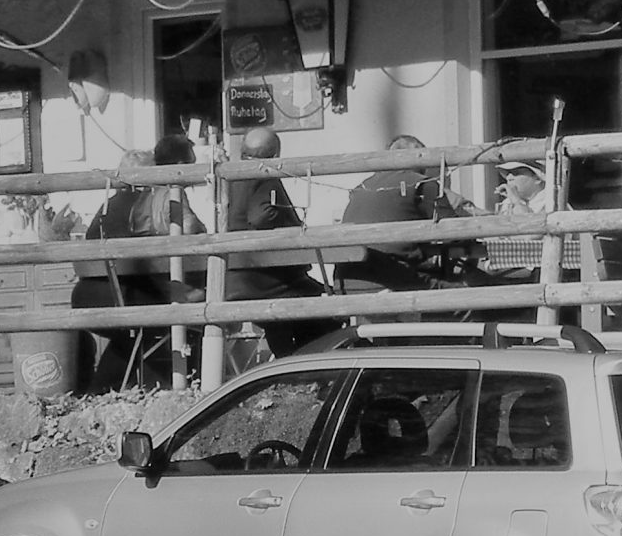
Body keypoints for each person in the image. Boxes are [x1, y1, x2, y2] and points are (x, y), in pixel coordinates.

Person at [73, 140, 205, 391]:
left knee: (136, 334)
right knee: (193, 305)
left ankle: (103, 390)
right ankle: (184, 384)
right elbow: (190, 230)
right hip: (127, 296)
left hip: (89, 294)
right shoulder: (153, 202)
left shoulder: (107, 206)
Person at [219, 127, 338, 357]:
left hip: (236, 278)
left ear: (243, 151)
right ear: (275, 155)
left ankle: (289, 362)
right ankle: (306, 364)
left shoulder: (231, 176)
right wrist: (288, 229)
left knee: (289, 315)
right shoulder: (262, 174)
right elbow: (260, 216)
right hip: (264, 279)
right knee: (323, 306)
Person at [337, 135, 478, 293]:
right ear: (419, 157)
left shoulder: (361, 187)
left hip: (345, 283)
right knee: (469, 297)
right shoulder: (421, 184)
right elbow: (456, 233)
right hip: (390, 280)